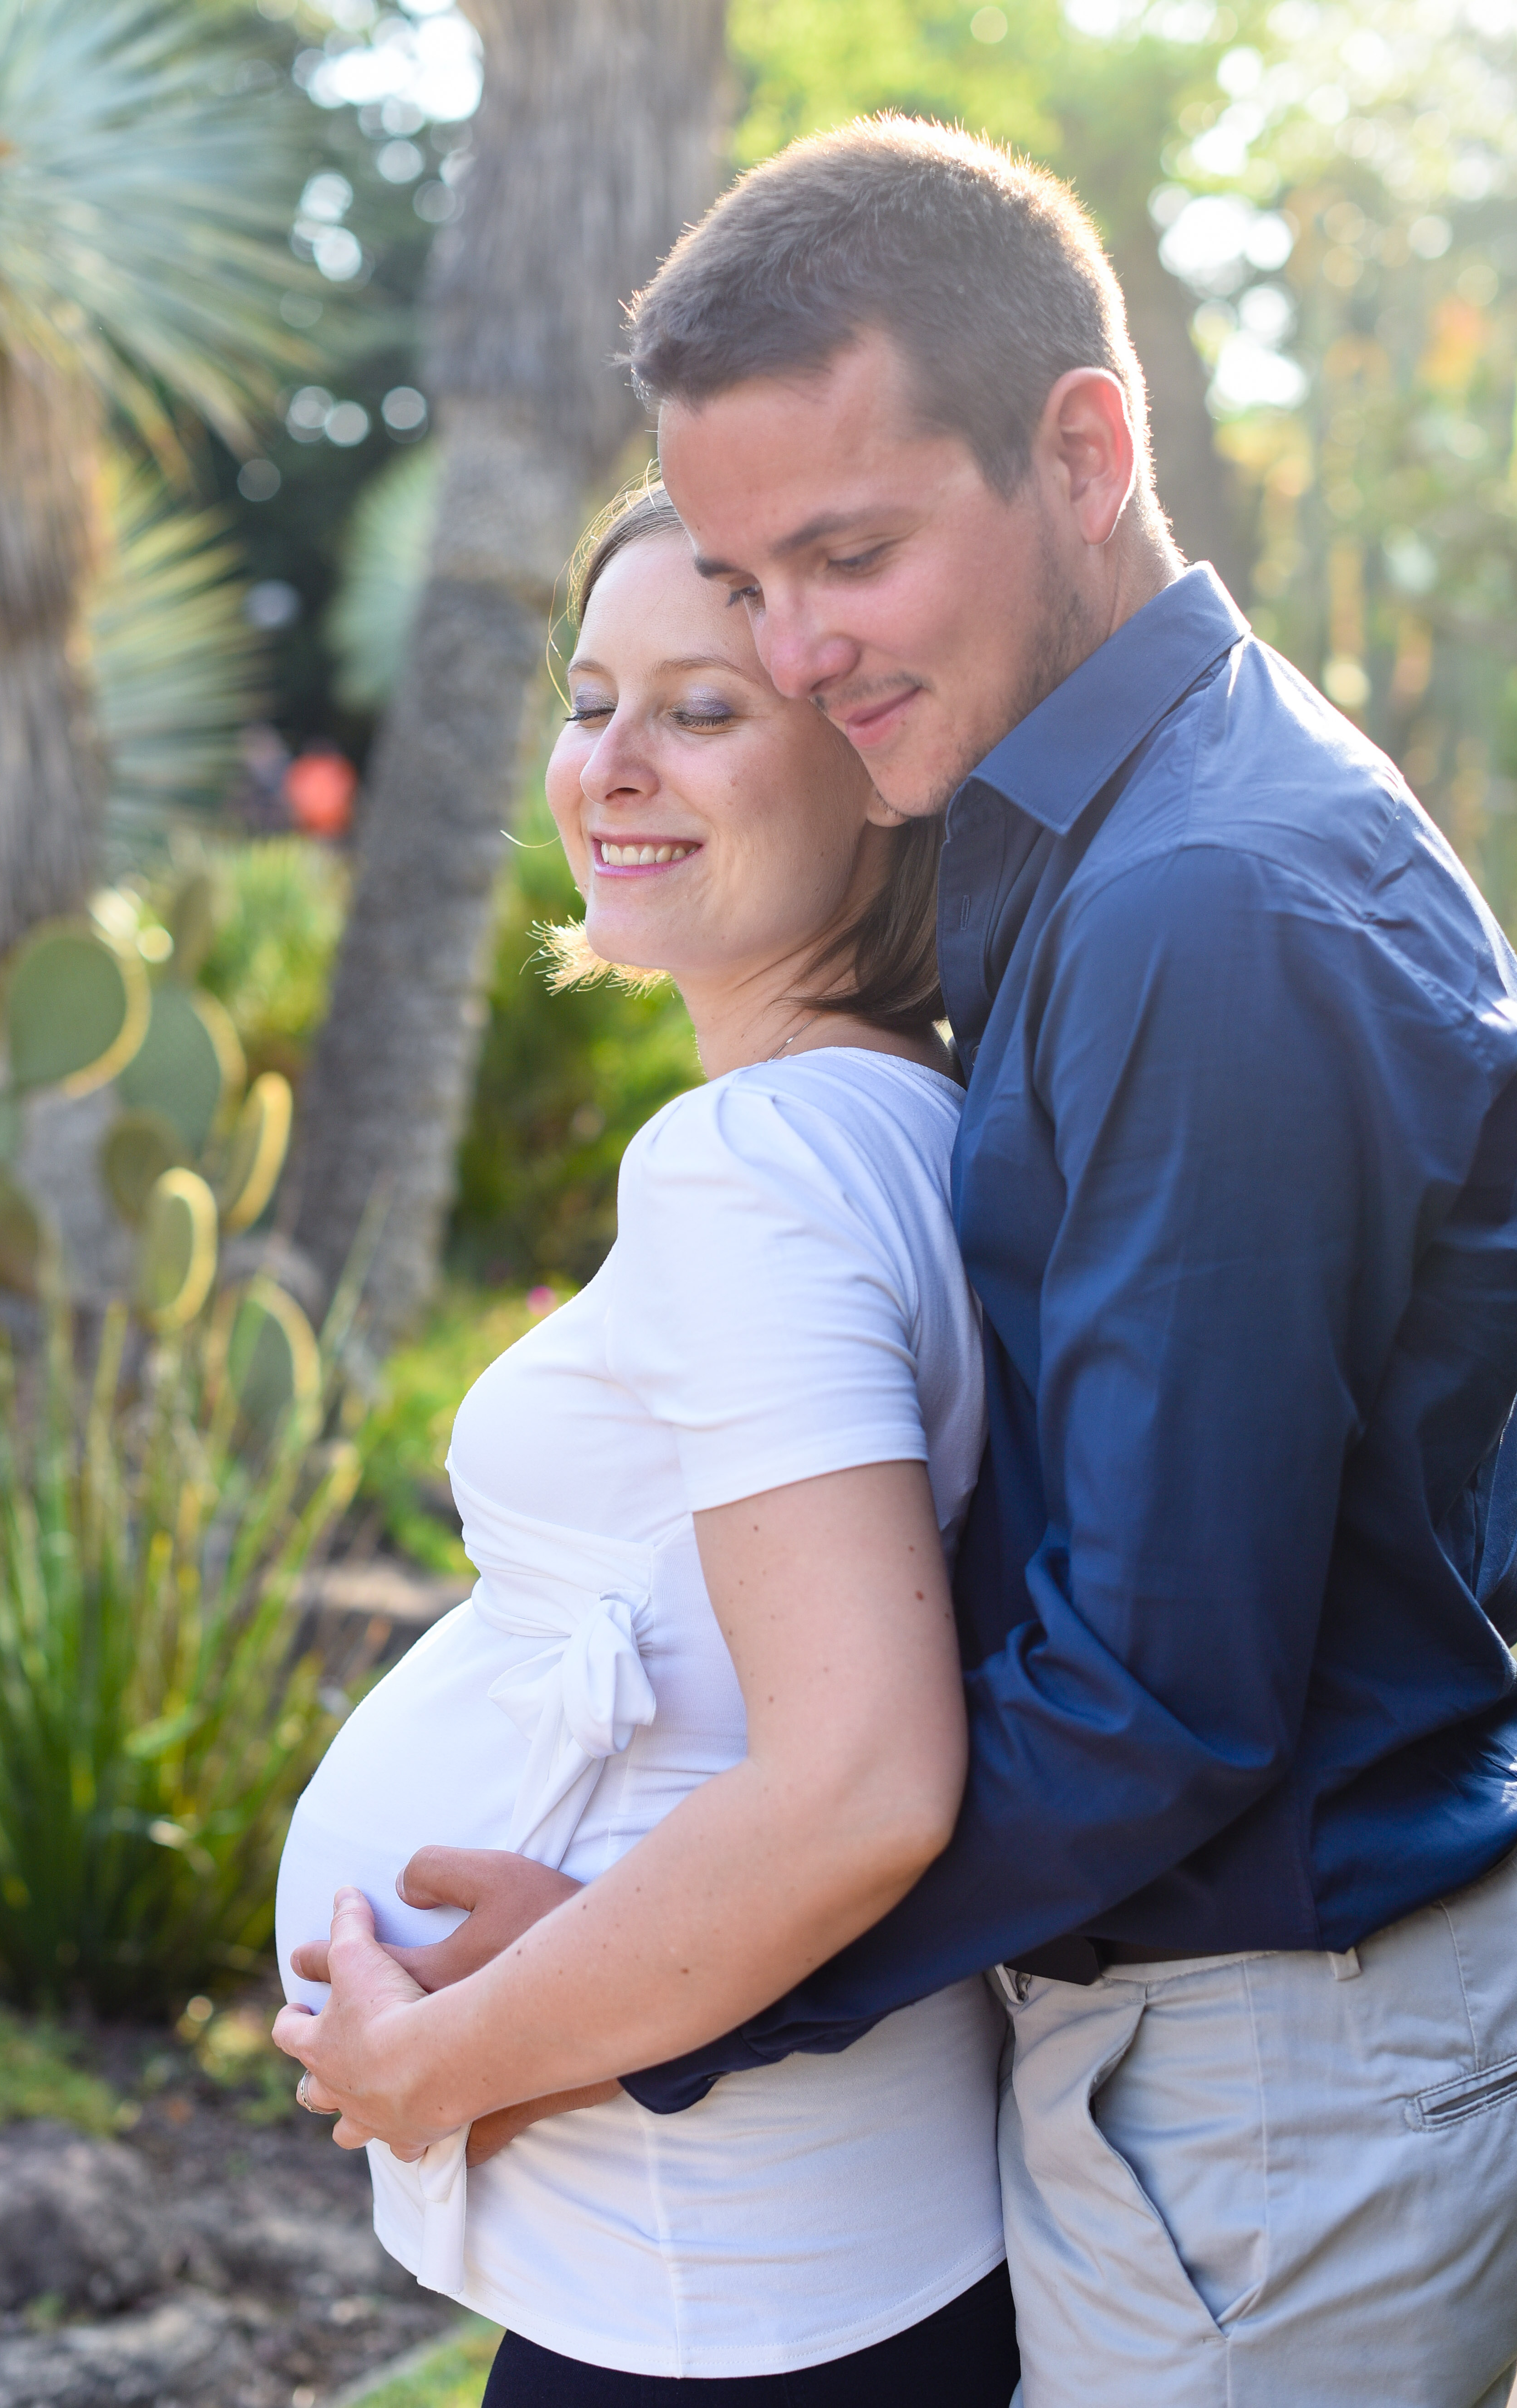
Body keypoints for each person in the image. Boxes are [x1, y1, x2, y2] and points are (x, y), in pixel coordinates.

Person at [606, 114, 1517, 2408]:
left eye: (850, 554)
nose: (798, 652)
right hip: (1244, 2053)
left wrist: (678, 1971)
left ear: (1084, 448)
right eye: (749, 583)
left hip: (1269, 2081)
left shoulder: (1201, 900)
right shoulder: (1085, 819)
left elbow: (1161, 1690)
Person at [273, 483, 1020, 2402]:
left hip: (727, 2286)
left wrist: (445, 2054)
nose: (608, 759)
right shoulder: (910, 1122)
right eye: (591, 695)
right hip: (795, 2237)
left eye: (700, 708)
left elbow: (861, 1777)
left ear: (874, 764)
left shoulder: (756, 1160)